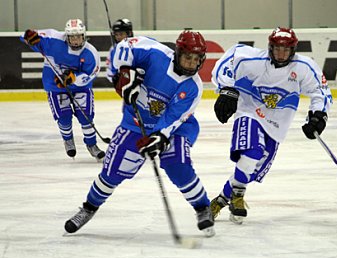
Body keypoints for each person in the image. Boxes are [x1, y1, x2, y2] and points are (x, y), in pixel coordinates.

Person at [64, 30, 215, 237]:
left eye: (196, 59)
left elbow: (174, 119)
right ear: (177, 53)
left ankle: (202, 207)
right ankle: (88, 208)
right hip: (134, 123)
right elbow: (123, 46)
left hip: (175, 129)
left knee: (176, 163)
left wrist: (159, 137)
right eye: (187, 57)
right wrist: (124, 72)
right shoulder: (155, 53)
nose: (190, 63)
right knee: (112, 172)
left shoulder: (193, 86)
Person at [210, 27, 333, 224]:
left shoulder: (304, 67)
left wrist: (319, 114)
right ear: (269, 47)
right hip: (249, 110)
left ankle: (221, 200)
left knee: (250, 170)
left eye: (285, 50)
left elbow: (320, 91)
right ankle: (238, 195)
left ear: (293, 50)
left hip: (277, 123)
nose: (281, 54)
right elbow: (230, 57)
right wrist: (227, 90)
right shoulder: (253, 60)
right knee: (251, 153)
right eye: (277, 49)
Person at [21, 19, 105, 161]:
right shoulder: (54, 39)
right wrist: (29, 37)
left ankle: (92, 145)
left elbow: (92, 72)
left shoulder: (91, 53)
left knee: (86, 116)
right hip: (55, 87)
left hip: (81, 88)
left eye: (78, 36)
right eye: (72, 37)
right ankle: (68, 140)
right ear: (67, 36)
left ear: (84, 36)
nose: (76, 41)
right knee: (64, 117)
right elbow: (31, 37)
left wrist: (73, 78)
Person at [106, 18, 134, 86]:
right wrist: (114, 78)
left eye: (121, 34)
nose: (118, 37)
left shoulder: (136, 47)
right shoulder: (113, 49)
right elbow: (109, 69)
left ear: (129, 33)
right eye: (116, 34)